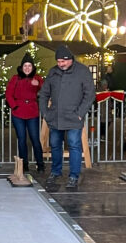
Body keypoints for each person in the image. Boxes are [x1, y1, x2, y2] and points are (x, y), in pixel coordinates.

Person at [38, 45, 95, 189]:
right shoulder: (53, 72)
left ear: (69, 59)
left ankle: (73, 176)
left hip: (74, 117)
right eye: (58, 62)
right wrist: (45, 112)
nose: (60, 64)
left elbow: (89, 95)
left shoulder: (82, 71)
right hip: (55, 116)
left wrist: (80, 114)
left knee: (74, 145)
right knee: (55, 145)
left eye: (62, 61)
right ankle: (55, 172)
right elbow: (44, 93)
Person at [5, 52, 45, 172]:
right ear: (22, 67)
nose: (27, 68)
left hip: (32, 112)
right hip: (18, 113)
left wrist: (38, 84)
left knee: (35, 139)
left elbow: (45, 88)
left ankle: (40, 164)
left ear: (32, 67)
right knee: (21, 139)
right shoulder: (15, 79)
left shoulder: (37, 78)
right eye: (25, 66)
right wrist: (14, 106)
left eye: (29, 66)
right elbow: (8, 94)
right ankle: (24, 165)